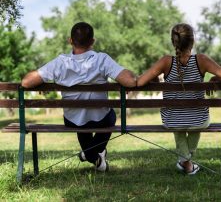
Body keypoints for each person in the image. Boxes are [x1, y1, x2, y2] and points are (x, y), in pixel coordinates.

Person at [22, 22, 136, 172]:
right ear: (92, 41)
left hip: (73, 121)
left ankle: (91, 155)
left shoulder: (60, 63)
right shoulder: (102, 59)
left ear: (70, 40)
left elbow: (26, 82)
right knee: (111, 117)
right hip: (101, 120)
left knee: (81, 122)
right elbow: (130, 81)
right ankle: (91, 155)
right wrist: (129, 78)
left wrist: (40, 84)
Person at [137, 23, 221, 175]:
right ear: (193, 41)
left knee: (179, 122)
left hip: (172, 120)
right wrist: (214, 78)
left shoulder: (165, 61)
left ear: (173, 42)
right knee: (196, 121)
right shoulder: (201, 60)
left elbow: (140, 81)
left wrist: (155, 78)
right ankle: (187, 162)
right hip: (199, 120)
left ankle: (186, 161)